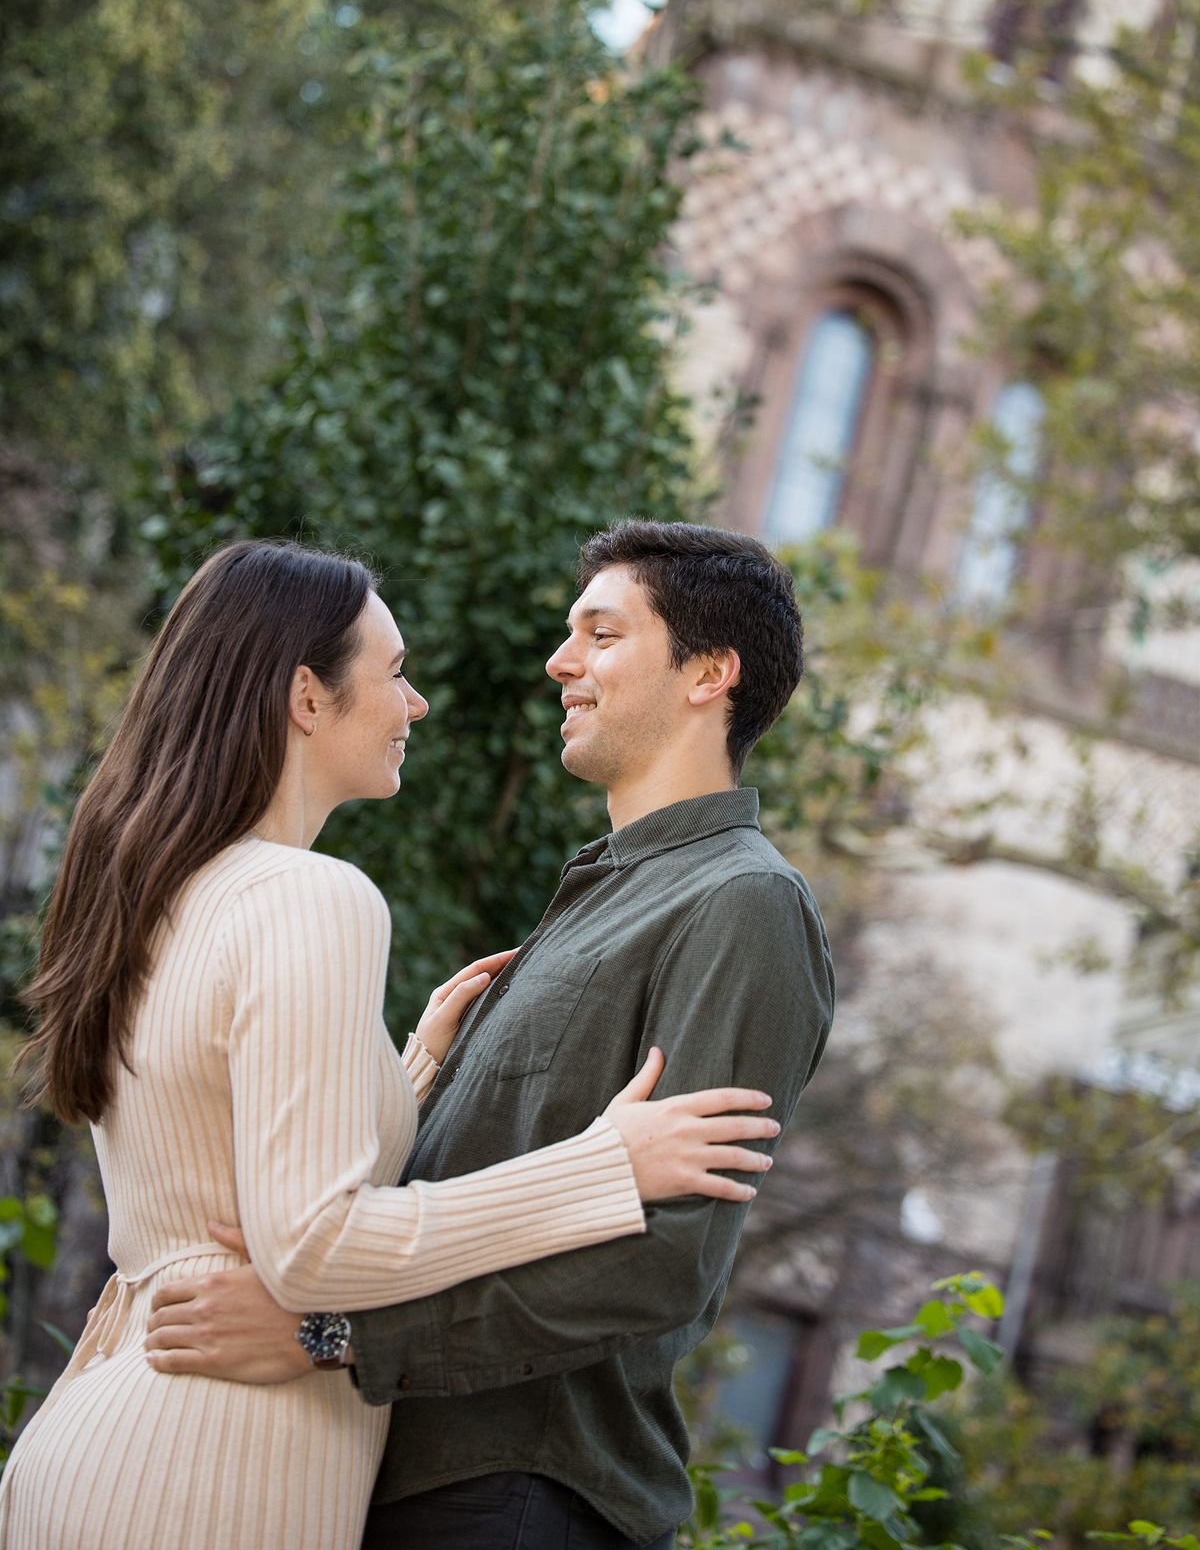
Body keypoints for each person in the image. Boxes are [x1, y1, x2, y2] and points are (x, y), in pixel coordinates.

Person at [0, 539, 782, 1550]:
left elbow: (231, 1155)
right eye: (397, 673)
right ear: (305, 698)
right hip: (208, 1460)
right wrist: (600, 1166)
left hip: (112, 1431)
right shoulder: (312, 896)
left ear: (711, 675)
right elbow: (316, 1241)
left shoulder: (165, 889)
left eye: (600, 632)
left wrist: (405, 1076)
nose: (415, 704)